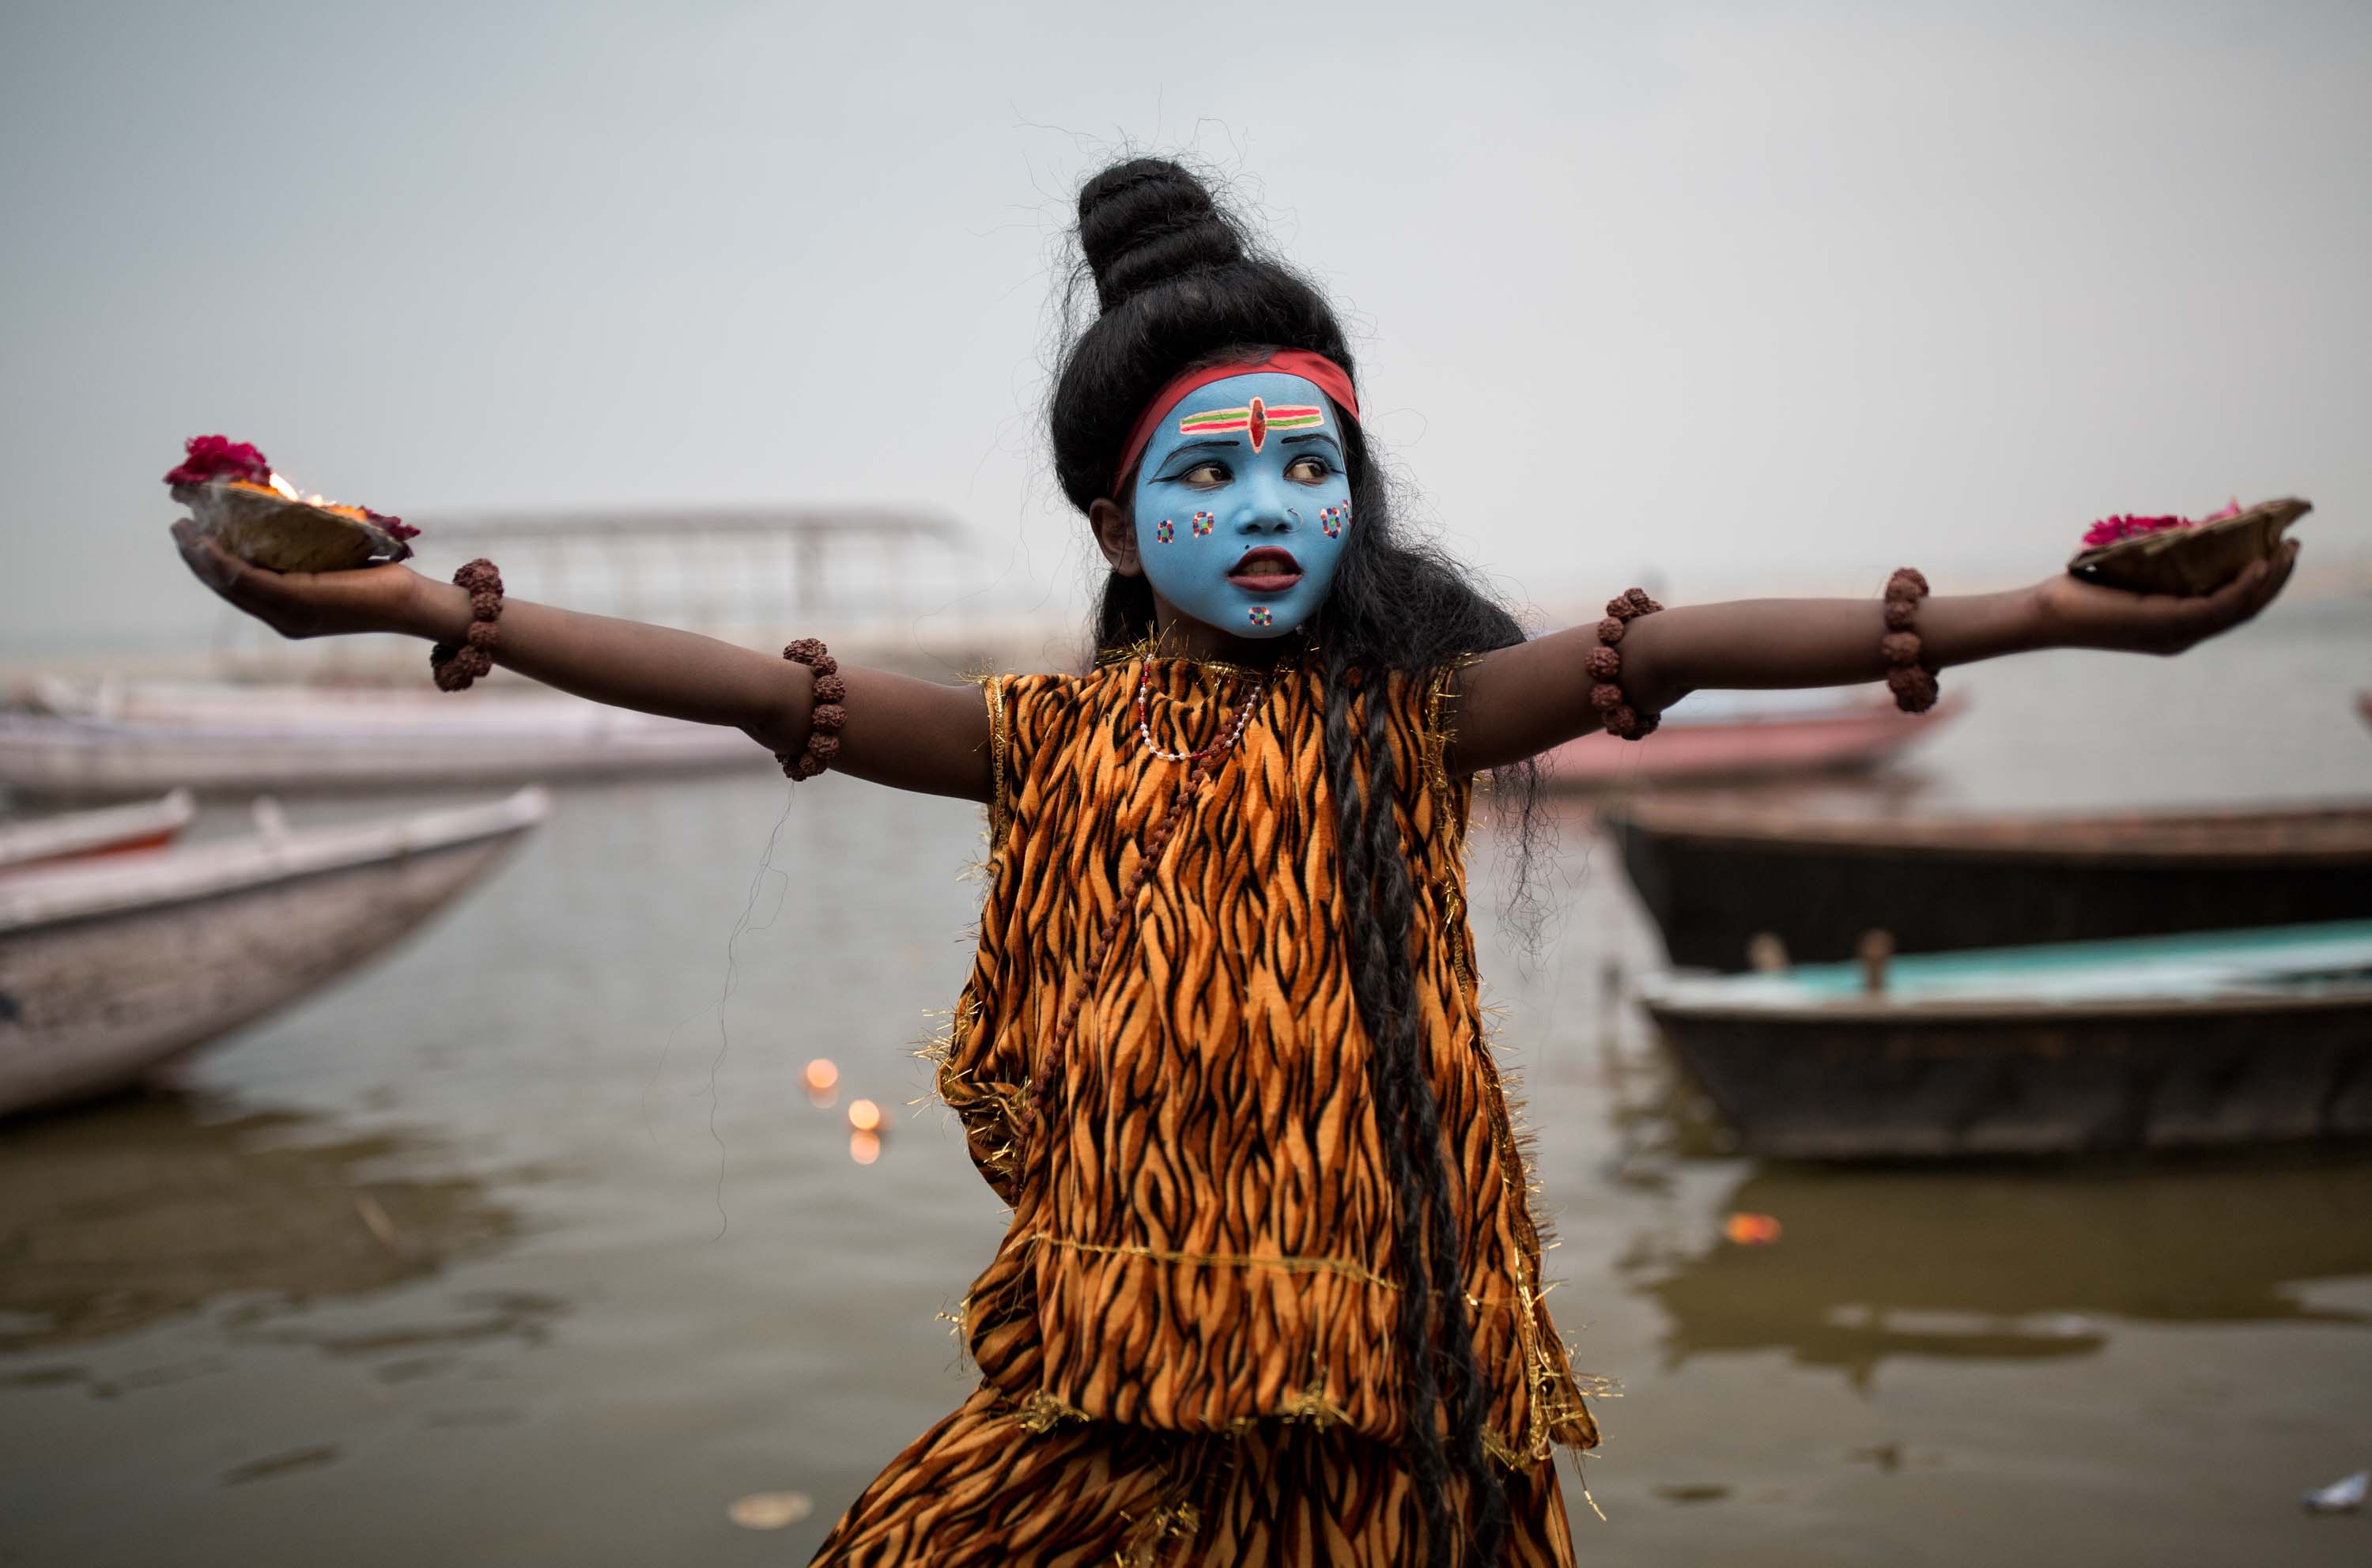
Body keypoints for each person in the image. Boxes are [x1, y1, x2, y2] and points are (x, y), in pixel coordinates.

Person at [173, 157, 2298, 1568]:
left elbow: (1679, 653)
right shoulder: (1046, 742)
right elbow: (747, 687)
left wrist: (2047, 611)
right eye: (1207, 466)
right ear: (1113, 524)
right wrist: (415, 609)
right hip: (1125, 1388)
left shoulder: (1414, 723)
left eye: (1308, 462)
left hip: (1409, 1410)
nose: (1267, 500)